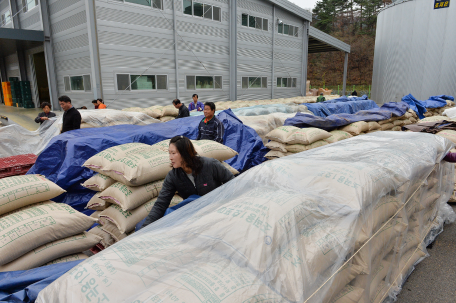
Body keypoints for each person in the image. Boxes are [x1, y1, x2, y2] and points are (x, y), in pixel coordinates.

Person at [141, 136, 234, 228]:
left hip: (215, 209)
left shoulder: (210, 165)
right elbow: (161, 204)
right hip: (193, 215)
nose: (170, 157)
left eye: (173, 153)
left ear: (185, 153)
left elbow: (234, 184)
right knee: (144, 224)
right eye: (169, 153)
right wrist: (144, 229)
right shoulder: (173, 176)